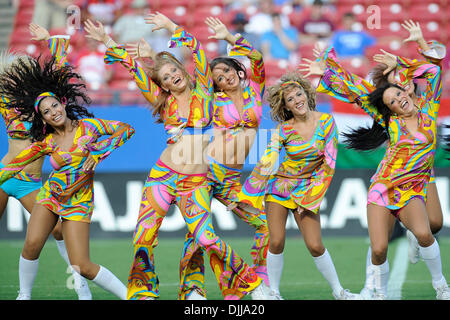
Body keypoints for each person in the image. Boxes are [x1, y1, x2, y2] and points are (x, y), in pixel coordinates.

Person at [84, 12, 269, 300]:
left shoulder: (207, 93)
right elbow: (132, 66)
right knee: (143, 238)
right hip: (162, 176)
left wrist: (171, 27)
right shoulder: (163, 101)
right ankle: (143, 295)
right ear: (164, 85)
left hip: (195, 182)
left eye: (175, 71)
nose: (173, 77)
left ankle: (246, 284)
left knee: (206, 238)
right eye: (166, 78)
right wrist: (107, 40)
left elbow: (196, 48)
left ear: (182, 70)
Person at [306, 44, 450, 300]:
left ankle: (441, 287)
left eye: (398, 95)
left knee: (427, 233)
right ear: (389, 110)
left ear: (407, 89)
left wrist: (400, 61)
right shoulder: (390, 121)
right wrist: (327, 71)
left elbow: (433, 73)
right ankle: (378, 293)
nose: (398, 101)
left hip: (413, 188)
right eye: (391, 102)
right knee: (379, 249)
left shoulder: (428, 108)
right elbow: (357, 91)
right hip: (383, 188)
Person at [0, 51, 134, 300]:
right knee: (31, 246)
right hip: (50, 198)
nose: (53, 112)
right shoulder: (46, 141)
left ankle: (131, 296)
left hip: (79, 202)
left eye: (54, 106)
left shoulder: (90, 128)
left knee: (83, 265)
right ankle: (24, 296)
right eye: (46, 112)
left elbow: (127, 130)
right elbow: (14, 166)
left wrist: (97, 155)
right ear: (43, 119)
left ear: (62, 102)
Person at [235, 70, 359, 300]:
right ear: (287, 107)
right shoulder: (282, 129)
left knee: (315, 245)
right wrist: (247, 193)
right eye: (290, 100)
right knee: (276, 240)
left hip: (308, 189)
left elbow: (328, 164)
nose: (297, 101)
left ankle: (339, 292)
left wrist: (310, 198)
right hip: (280, 188)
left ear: (307, 94)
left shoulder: (327, 121)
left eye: (299, 94)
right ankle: (274, 292)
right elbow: (268, 159)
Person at [177, 17, 270, 300]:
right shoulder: (212, 100)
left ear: (236, 70)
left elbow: (257, 58)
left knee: (264, 226)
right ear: (214, 83)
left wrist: (229, 37)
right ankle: (193, 291)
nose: (224, 77)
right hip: (207, 170)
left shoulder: (256, 90)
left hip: (232, 179)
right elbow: (197, 71)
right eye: (218, 77)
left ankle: (258, 284)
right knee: (198, 231)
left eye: (227, 71)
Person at [0, 23, 93, 300]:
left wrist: (47, 41)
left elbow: (62, 68)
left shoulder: (46, 107)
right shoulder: (6, 101)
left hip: (30, 181)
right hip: (6, 174)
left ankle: (81, 285)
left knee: (57, 231)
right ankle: (24, 295)